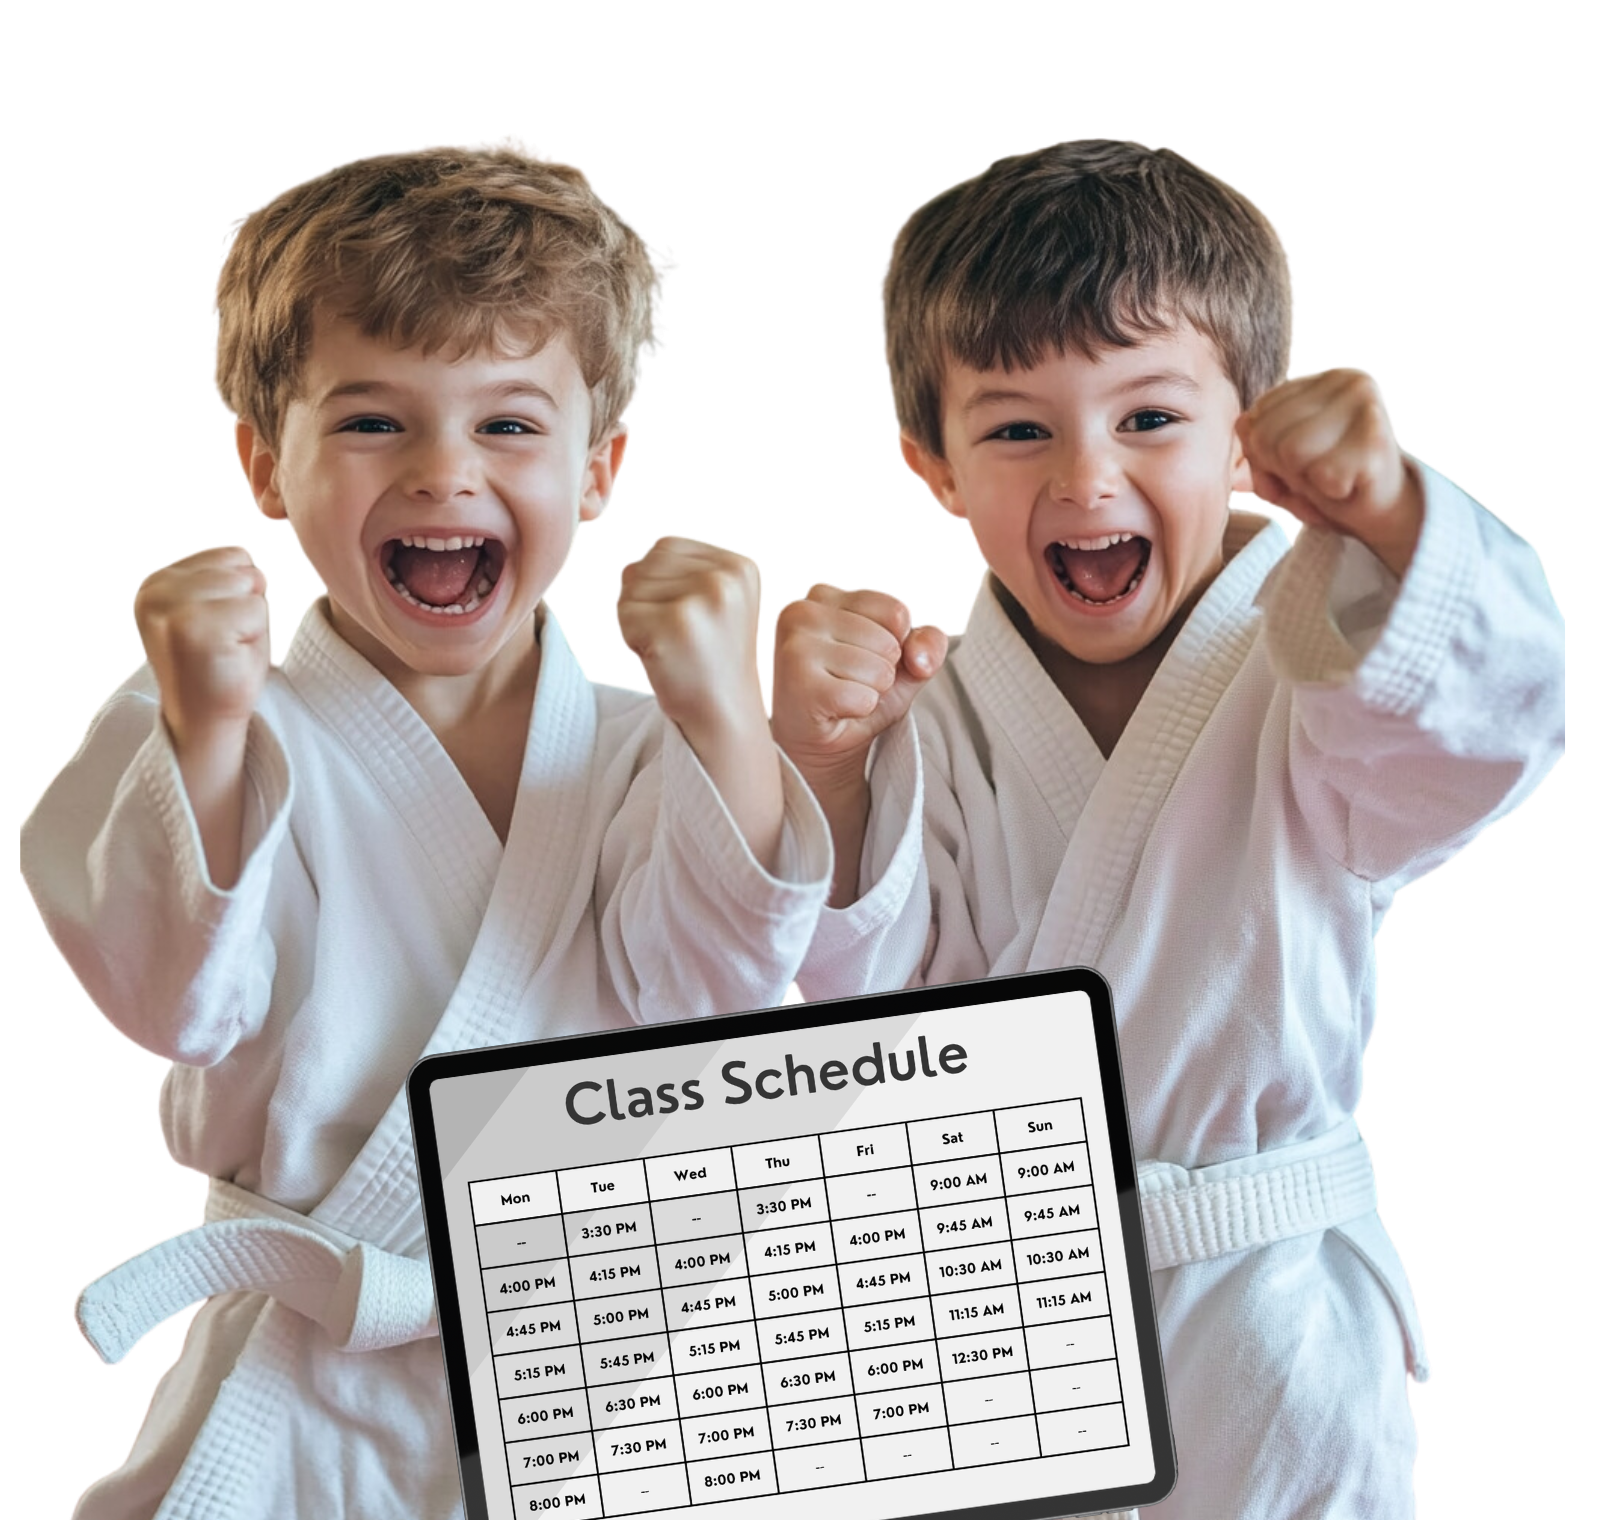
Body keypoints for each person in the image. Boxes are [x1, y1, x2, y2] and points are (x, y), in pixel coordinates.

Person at [22, 138, 831, 1520]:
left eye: (509, 424)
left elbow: (718, 987)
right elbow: (175, 1004)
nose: (444, 472)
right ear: (264, 464)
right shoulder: (213, 720)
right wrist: (209, 738)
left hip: (610, 1377)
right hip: (310, 1398)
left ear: (599, 468)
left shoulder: (648, 747)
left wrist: (725, 719)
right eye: (373, 421)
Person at [769, 139, 1566, 1518]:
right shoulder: (925, 707)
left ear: (1245, 433)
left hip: (1263, 1302)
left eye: (1147, 418)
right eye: (1017, 429)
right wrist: (824, 766)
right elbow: (873, 994)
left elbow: (1480, 736)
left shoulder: (1315, 666)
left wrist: (1382, 519)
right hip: (982, 1310)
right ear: (930, 464)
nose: (1085, 482)